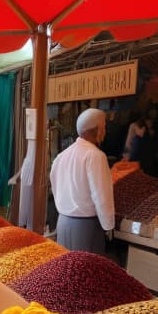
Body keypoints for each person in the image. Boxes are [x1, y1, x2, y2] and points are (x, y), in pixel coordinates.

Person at [49, 108, 115, 254]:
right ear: (95, 129)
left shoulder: (62, 156)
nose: (104, 132)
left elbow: (55, 187)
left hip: (63, 223)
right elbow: (101, 195)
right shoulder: (96, 156)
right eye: (103, 127)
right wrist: (108, 225)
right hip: (86, 227)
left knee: (67, 272)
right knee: (86, 273)